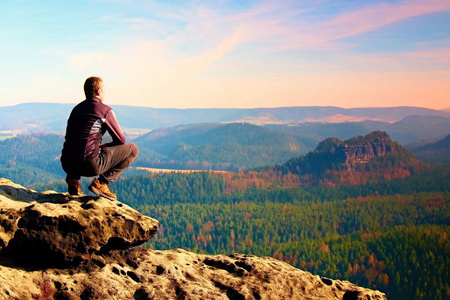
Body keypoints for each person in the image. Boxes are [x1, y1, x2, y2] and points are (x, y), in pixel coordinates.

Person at [61, 76, 138, 200]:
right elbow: (121, 140)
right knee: (133, 150)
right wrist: (107, 146)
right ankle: (102, 183)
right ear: (98, 91)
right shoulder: (104, 110)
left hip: (67, 162)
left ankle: (73, 180)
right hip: (90, 164)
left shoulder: (76, 110)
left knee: (76, 147)